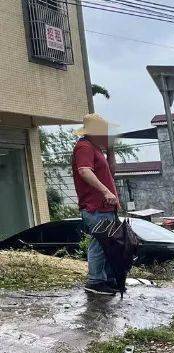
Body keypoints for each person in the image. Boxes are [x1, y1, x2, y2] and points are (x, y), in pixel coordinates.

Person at [72, 113, 121, 295]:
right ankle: (95, 281)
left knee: (109, 244)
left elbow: (111, 174)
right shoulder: (84, 146)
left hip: (106, 207)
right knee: (100, 243)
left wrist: (111, 151)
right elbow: (84, 171)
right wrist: (106, 192)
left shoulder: (96, 148)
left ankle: (108, 279)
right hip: (95, 207)